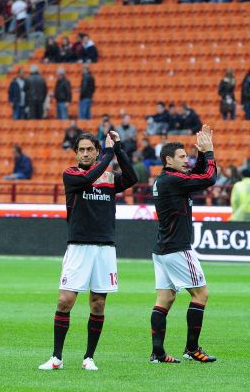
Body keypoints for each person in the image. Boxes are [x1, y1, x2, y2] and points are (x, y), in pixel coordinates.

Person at [39, 131, 137, 371]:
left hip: (104, 248)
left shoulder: (109, 178)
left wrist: (119, 148)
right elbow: (89, 178)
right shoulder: (71, 175)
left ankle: (89, 357)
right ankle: (56, 357)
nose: (85, 153)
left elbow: (132, 177)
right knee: (65, 300)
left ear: (95, 152)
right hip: (78, 246)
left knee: (98, 305)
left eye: (89, 149)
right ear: (76, 153)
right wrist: (108, 153)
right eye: (81, 150)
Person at [149, 125, 217, 364]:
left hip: (163, 248)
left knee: (165, 299)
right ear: (169, 159)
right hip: (178, 247)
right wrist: (208, 153)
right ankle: (192, 348)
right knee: (201, 294)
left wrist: (200, 155)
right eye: (182, 157)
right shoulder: (174, 180)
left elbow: (194, 176)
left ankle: (157, 353)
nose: (185, 160)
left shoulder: (166, 179)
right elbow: (209, 177)